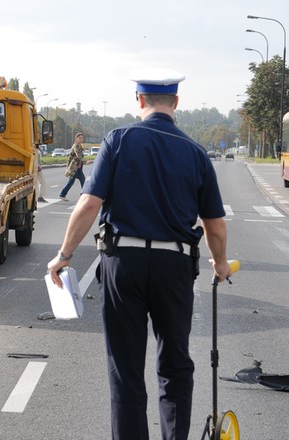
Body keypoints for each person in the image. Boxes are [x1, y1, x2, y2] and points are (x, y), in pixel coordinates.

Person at [47, 68, 232, 440]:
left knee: (126, 369)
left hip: (124, 264)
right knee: (175, 363)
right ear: (176, 104)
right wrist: (220, 262)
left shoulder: (118, 140)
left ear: (139, 101)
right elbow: (215, 225)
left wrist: (64, 255)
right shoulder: (196, 153)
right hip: (175, 266)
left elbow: (88, 205)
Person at [58, 133, 86, 201]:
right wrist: (85, 161)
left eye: (82, 138)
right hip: (74, 168)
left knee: (82, 181)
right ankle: (62, 194)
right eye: (79, 138)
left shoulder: (80, 146)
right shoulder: (76, 146)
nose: (81, 139)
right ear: (76, 138)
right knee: (73, 182)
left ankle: (83, 196)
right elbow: (78, 155)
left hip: (78, 168)